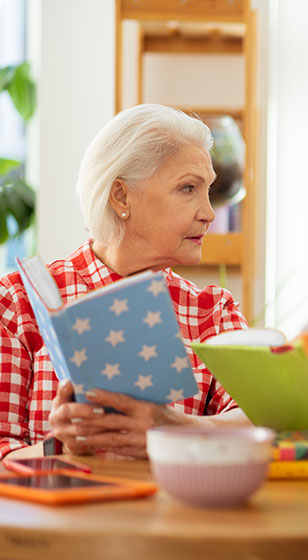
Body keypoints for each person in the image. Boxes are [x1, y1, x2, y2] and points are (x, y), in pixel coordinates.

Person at [0, 104, 251, 460]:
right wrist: (63, 447)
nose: (209, 213)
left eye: (207, 190)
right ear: (121, 196)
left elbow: (262, 421)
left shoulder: (212, 313)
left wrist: (185, 429)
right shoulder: (17, 301)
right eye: (187, 189)